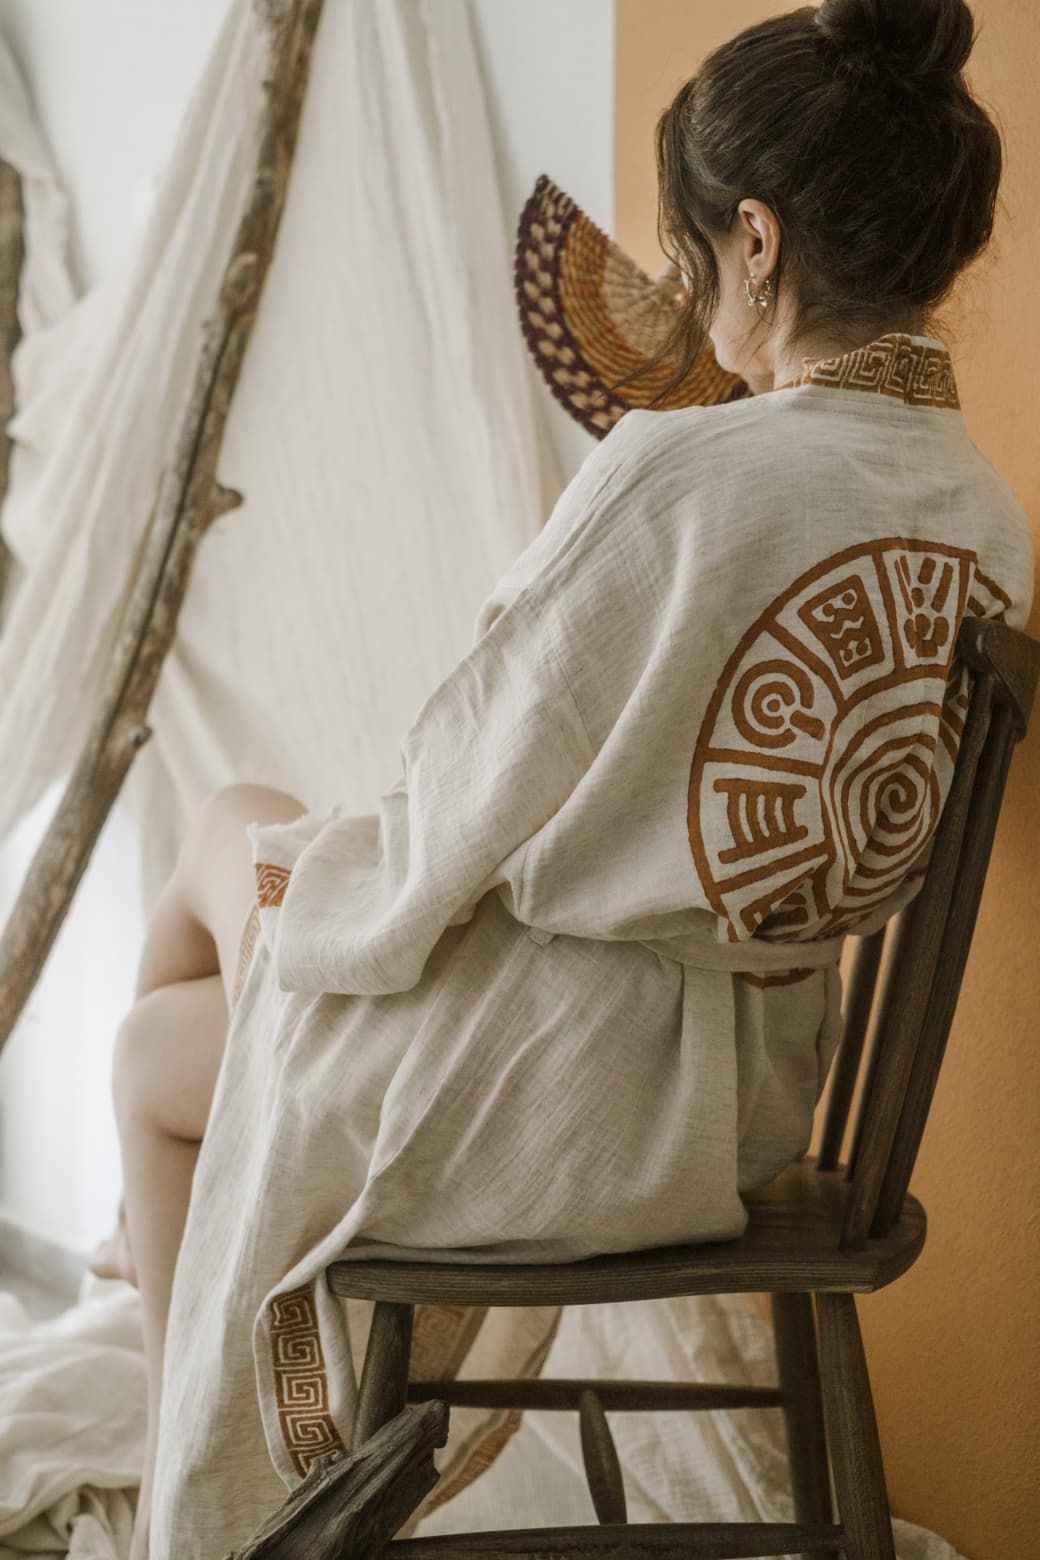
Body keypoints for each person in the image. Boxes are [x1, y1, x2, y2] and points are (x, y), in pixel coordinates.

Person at [108, 1, 1033, 1554]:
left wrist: (339, 916)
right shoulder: (983, 511)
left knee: (161, 1022)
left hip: (581, 1088)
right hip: (759, 1089)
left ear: (755, 240)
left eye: (684, 253)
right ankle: (173, 1336)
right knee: (230, 862)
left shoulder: (689, 474)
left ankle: (186, 1462)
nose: (679, 287)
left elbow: (465, 795)